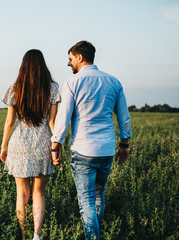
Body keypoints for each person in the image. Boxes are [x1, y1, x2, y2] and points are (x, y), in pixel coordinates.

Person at [51, 41, 131, 240]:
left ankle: (92, 238)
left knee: (86, 200)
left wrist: (56, 145)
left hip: (83, 150)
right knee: (98, 195)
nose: (68, 64)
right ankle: (96, 234)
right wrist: (124, 145)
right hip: (106, 150)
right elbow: (123, 117)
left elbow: (63, 117)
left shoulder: (73, 82)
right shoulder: (113, 81)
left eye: (70, 59)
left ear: (80, 57)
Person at [0, 49, 61, 240]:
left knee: (21, 193)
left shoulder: (15, 88)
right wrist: (57, 145)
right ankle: (36, 235)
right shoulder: (52, 89)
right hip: (42, 143)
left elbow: (9, 122)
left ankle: (23, 235)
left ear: (23, 66)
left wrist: (4, 146)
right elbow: (53, 122)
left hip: (19, 144)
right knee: (38, 193)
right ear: (43, 66)